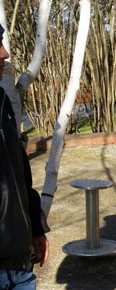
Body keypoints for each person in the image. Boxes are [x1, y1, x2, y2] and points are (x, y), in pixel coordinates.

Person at [0, 24, 49, 289]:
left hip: (19, 265)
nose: (5, 53)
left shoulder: (2, 103)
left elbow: (19, 174)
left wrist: (35, 229)